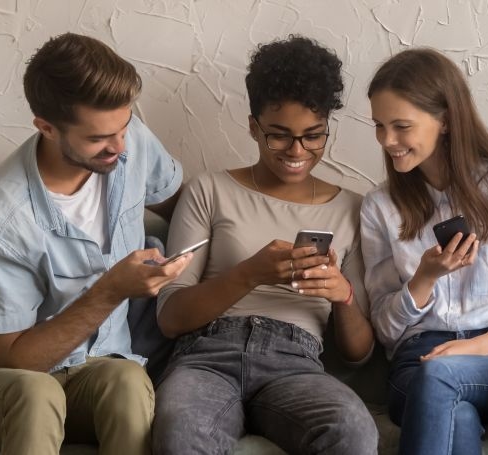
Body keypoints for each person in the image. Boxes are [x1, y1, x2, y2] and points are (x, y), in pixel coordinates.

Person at [0, 33, 190, 455]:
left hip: (98, 370)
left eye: (124, 127)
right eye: (99, 138)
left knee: (127, 382)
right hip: (8, 382)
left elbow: (179, 202)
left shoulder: (127, 138)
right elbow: (17, 359)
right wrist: (112, 290)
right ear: (46, 127)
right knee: (37, 395)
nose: (119, 148)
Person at [151, 35, 378, 455]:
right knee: (181, 429)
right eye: (279, 136)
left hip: (296, 364)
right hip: (205, 357)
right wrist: (249, 274)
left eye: (313, 136)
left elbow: (358, 354)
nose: (297, 151)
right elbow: (170, 316)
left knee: (352, 428)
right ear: (254, 126)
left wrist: (343, 296)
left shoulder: (352, 209)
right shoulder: (210, 190)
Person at [361, 48, 488, 455]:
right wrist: (423, 279)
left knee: (443, 379)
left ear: (445, 120)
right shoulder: (379, 207)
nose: (387, 141)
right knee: (454, 408)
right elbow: (384, 328)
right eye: (379, 126)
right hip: (418, 361)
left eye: (401, 126)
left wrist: (481, 345)